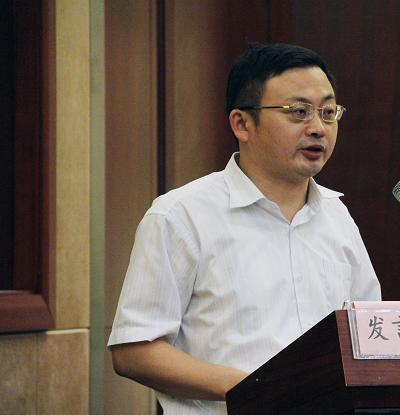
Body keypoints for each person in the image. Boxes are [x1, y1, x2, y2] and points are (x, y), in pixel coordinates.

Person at [108, 43, 381, 414]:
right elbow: (134, 350)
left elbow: (368, 333)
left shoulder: (337, 217)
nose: (318, 128)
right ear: (242, 124)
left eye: (328, 112)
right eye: (299, 112)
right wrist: (259, 390)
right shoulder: (181, 216)